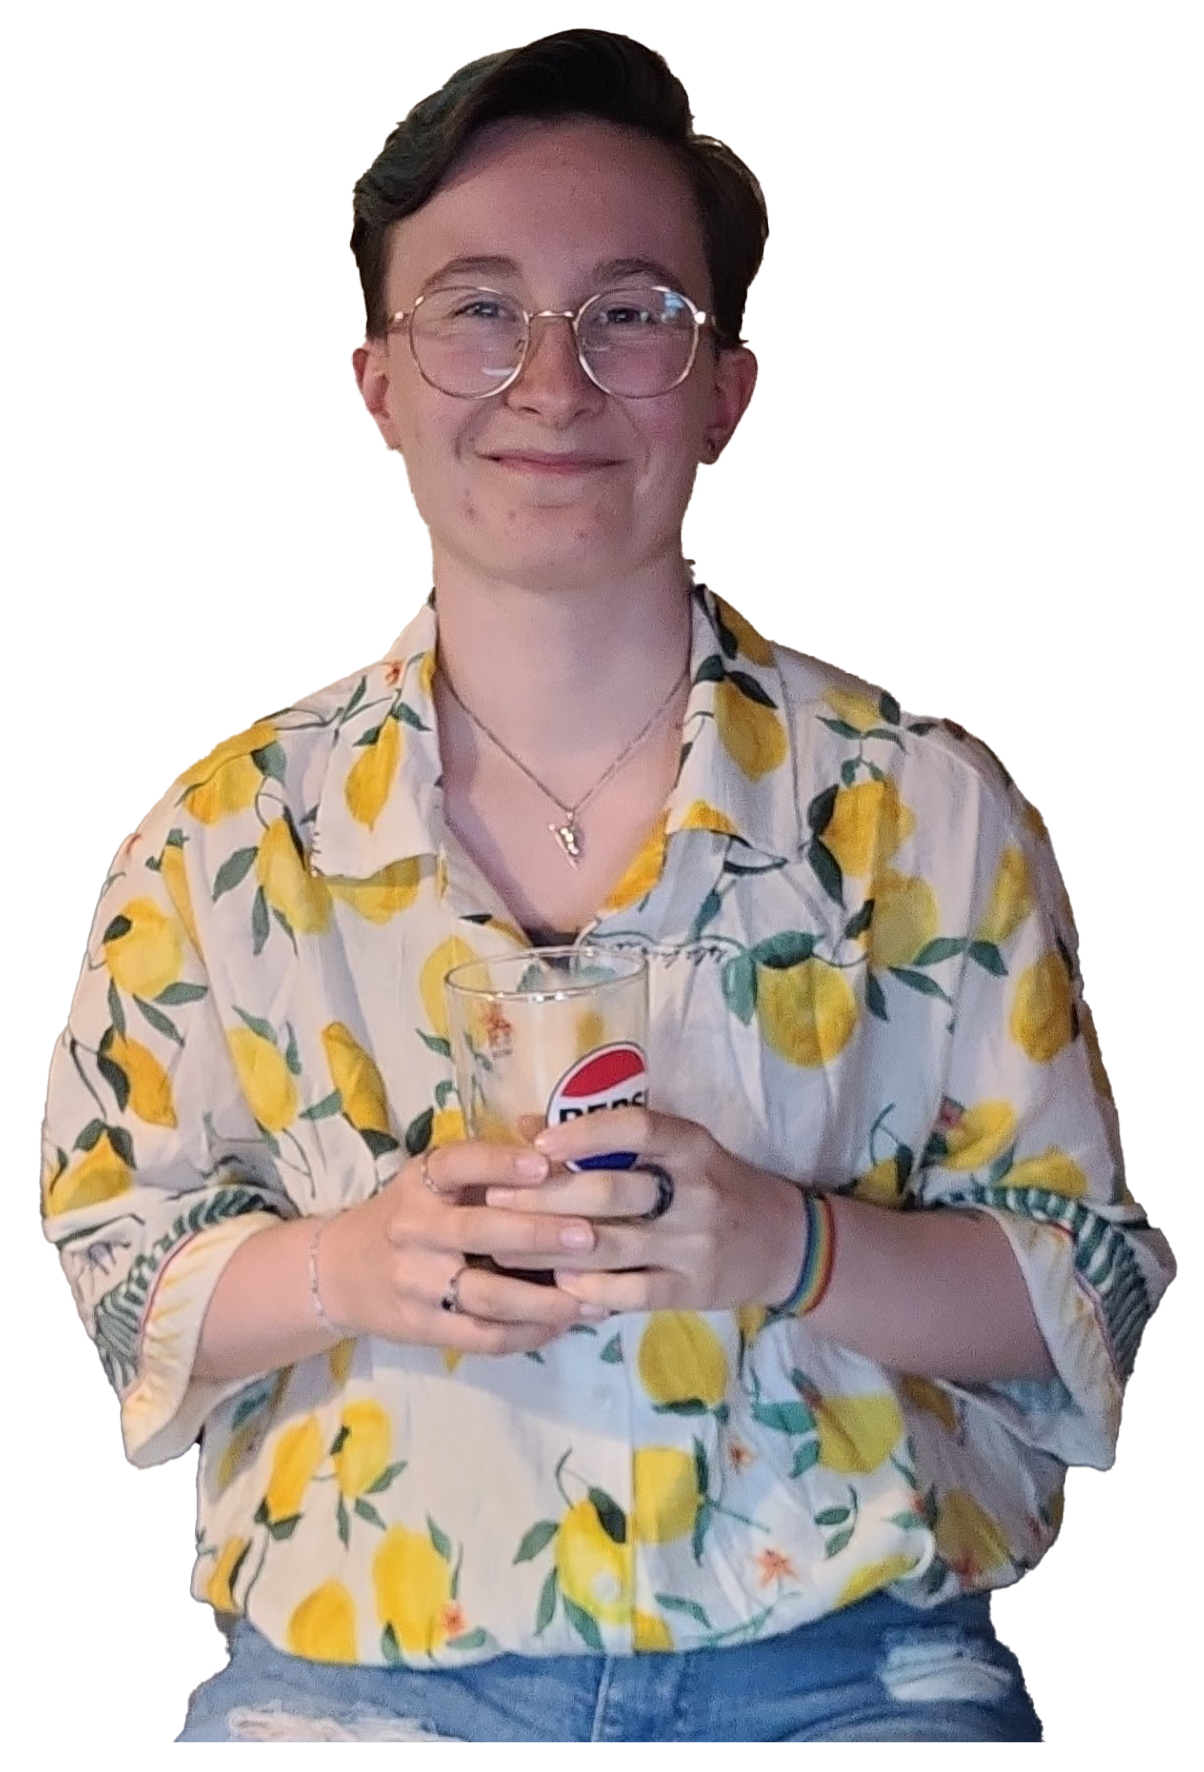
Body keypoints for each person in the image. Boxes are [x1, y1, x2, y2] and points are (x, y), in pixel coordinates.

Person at [42, 30, 1175, 1753]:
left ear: (733, 387)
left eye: (634, 309)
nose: (552, 380)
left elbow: (1080, 1283)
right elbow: (115, 1271)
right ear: (374, 386)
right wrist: (347, 1263)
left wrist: (789, 1245)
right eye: (476, 309)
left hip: (856, 1667)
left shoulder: (925, 812)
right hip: (362, 1689)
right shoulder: (218, 839)